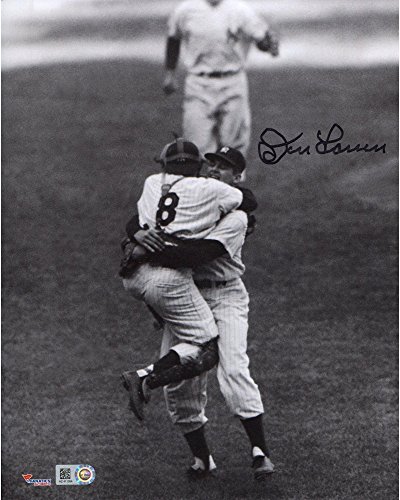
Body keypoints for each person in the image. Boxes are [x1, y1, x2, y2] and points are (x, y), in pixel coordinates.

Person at [126, 146, 274, 481]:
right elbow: (142, 217)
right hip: (186, 293)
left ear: (238, 177)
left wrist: (146, 252)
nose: (214, 169)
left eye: (224, 166)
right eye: (211, 164)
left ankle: (260, 452)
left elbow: (198, 255)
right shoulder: (194, 198)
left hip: (225, 296)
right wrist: (139, 233)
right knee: (179, 386)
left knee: (233, 369)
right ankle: (202, 459)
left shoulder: (237, 217)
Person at [121, 137, 244, 420]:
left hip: (133, 276)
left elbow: (136, 220)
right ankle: (144, 377)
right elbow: (244, 200)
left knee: (168, 310)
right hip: (167, 280)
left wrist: (137, 236)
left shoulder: (152, 182)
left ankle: (159, 322)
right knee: (206, 347)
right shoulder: (210, 189)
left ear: (164, 165)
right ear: (198, 165)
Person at [162, 0, 279, 164]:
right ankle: (201, 179)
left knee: (234, 147)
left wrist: (269, 45)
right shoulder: (186, 10)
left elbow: (261, 38)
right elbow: (173, 38)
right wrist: (170, 74)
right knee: (196, 145)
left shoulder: (241, 10)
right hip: (198, 83)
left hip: (233, 82)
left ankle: (234, 181)